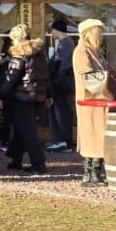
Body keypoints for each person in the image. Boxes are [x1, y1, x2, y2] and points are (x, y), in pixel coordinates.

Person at [73, 19, 116, 188]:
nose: (100, 36)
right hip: (90, 101)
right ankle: (90, 174)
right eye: (98, 32)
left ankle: (94, 173)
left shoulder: (95, 52)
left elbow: (107, 69)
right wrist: (108, 77)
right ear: (89, 32)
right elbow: (88, 76)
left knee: (98, 135)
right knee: (92, 136)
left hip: (99, 100)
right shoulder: (81, 51)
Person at [0, 24, 51, 175]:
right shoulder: (39, 53)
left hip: (22, 97)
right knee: (22, 130)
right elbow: (46, 76)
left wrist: (0, 94)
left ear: (15, 39)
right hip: (36, 96)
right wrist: (48, 94)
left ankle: (39, 164)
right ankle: (15, 160)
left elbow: (11, 79)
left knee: (28, 132)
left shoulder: (19, 55)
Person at [46, 19, 76, 152]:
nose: (51, 32)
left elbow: (63, 66)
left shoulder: (65, 44)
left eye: (52, 29)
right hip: (61, 82)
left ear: (57, 29)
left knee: (60, 111)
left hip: (61, 83)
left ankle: (63, 141)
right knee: (56, 110)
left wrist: (55, 80)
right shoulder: (65, 43)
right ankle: (61, 141)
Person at [0, 36, 14, 152]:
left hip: (5, 93)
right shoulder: (12, 61)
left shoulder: (3, 63)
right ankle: (2, 141)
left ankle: (2, 141)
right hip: (10, 94)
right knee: (9, 120)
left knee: (8, 119)